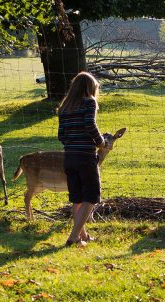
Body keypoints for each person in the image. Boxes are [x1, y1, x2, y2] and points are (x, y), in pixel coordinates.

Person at [58, 71, 105, 247]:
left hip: (69, 157)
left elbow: (61, 135)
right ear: (90, 88)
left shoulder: (64, 107)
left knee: (77, 197)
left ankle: (82, 235)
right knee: (91, 197)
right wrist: (100, 142)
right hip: (85, 156)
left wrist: (72, 143)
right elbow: (90, 125)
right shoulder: (89, 102)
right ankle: (73, 237)